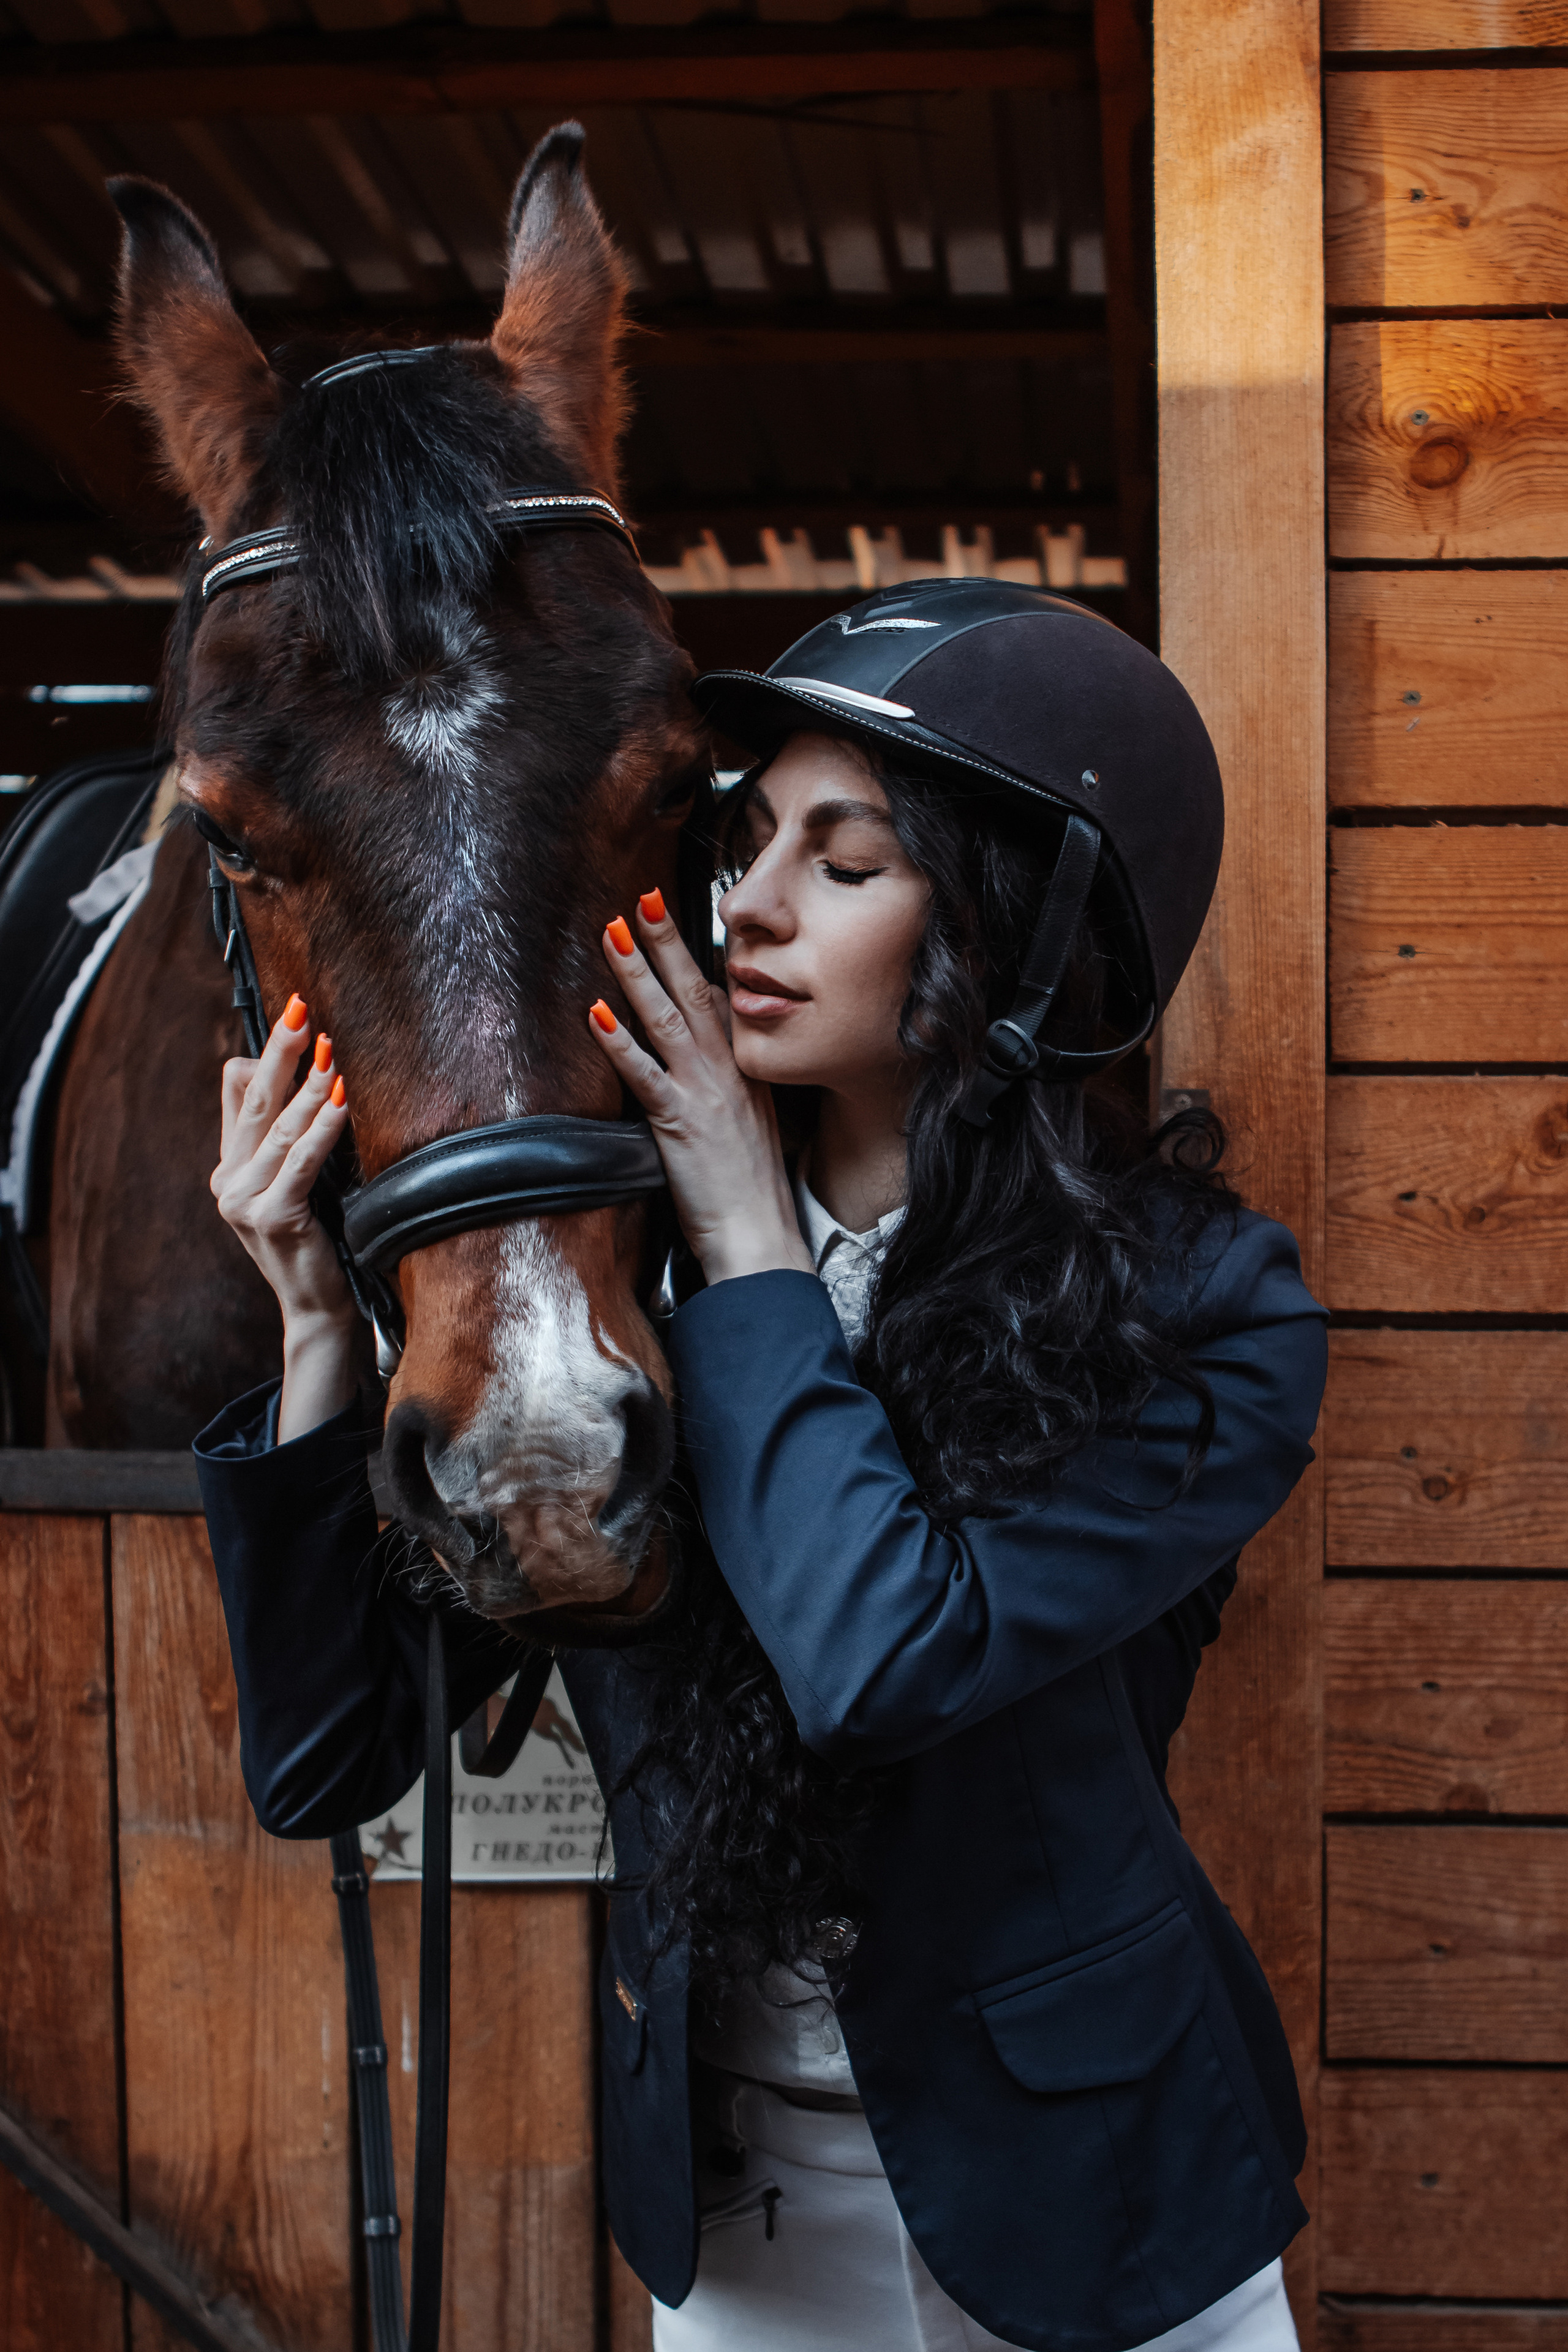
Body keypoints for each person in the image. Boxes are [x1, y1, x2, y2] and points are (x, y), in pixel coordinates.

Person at [194, 580, 1327, 2352]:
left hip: (1093, 2190)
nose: (749, 906)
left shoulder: (1205, 1310)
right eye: (748, 842)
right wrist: (317, 1340)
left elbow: (884, 1659)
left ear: (1022, 932)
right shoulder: (615, 1298)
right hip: (741, 2217)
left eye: (849, 860)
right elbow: (329, 1757)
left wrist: (749, 1248)